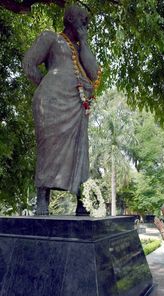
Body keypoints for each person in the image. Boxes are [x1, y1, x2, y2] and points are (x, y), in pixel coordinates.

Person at [23, 5, 99, 215]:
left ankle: (82, 200)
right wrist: (47, 87)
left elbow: (93, 73)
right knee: (49, 148)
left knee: (80, 150)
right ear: (71, 19)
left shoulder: (80, 47)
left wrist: (83, 40)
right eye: (83, 21)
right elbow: (28, 64)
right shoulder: (50, 37)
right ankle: (42, 200)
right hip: (51, 103)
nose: (86, 25)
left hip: (76, 105)